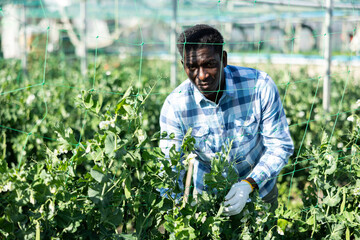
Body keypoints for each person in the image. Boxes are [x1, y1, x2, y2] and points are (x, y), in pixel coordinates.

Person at [159, 24, 294, 216]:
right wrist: (175, 212)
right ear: (183, 65)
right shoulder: (175, 106)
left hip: (260, 190)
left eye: (209, 64)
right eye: (192, 67)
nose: (202, 75)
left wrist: (249, 184)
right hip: (209, 200)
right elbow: (171, 164)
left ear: (223, 59)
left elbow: (280, 145)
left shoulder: (259, 86)